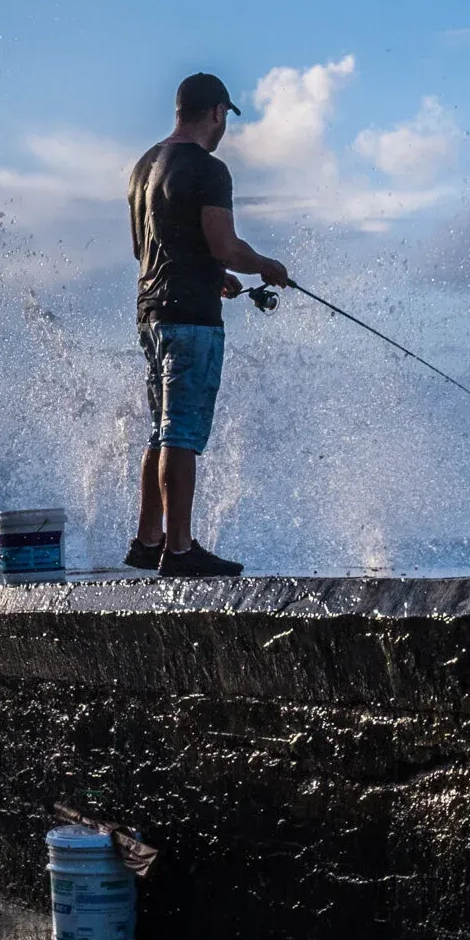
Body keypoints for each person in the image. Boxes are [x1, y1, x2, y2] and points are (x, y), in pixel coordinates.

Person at [125, 72, 290, 578]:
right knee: (181, 433)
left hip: (151, 313)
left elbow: (147, 249)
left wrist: (213, 275)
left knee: (160, 430)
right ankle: (179, 550)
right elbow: (226, 244)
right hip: (191, 322)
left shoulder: (143, 166)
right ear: (218, 112)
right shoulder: (209, 168)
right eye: (225, 119)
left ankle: (147, 539)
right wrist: (265, 266)